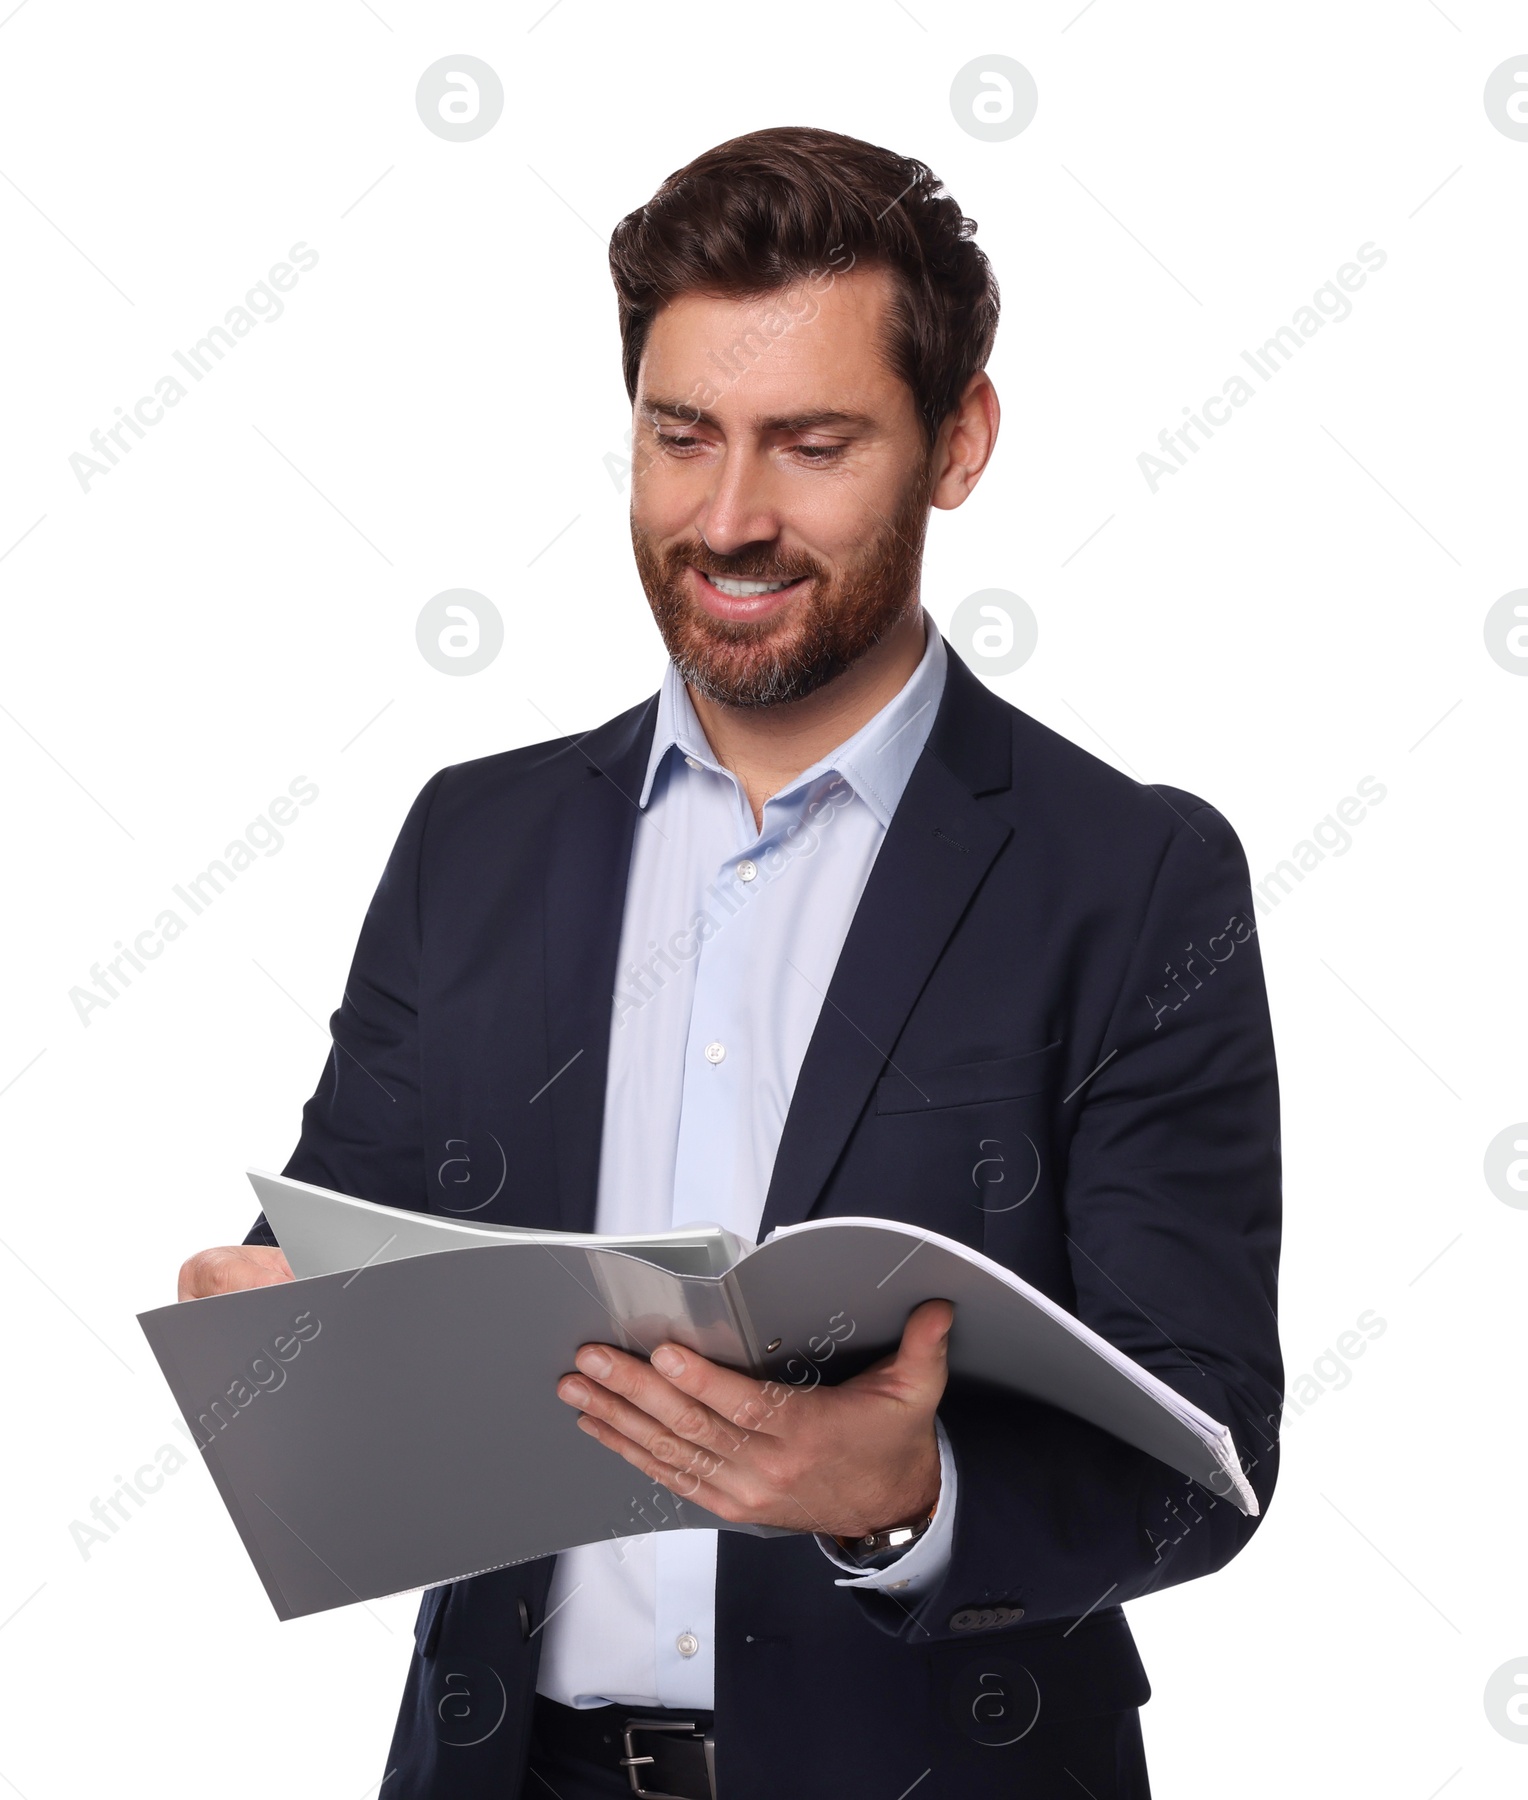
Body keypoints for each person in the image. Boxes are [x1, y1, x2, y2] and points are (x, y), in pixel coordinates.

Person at [179, 126, 1283, 1800]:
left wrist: (903, 1499)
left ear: (958, 442)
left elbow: (1205, 1458)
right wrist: (270, 1328)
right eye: (680, 435)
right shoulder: (472, 843)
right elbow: (351, 1232)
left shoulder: (1129, 878)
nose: (731, 516)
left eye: (813, 444)